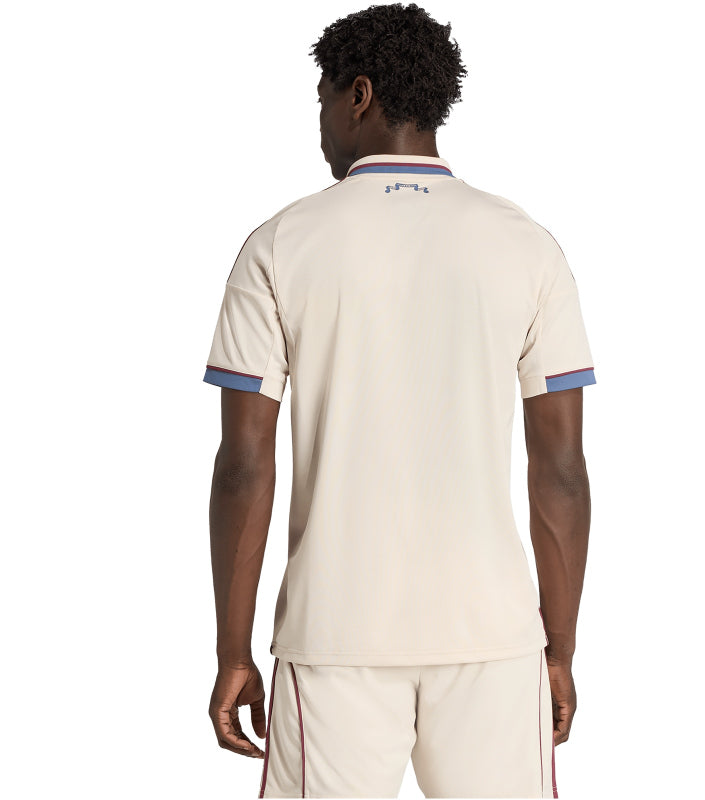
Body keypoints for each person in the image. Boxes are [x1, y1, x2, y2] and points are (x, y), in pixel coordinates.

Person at [203, 3, 595, 797]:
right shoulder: (527, 246)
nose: (319, 124)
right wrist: (558, 650)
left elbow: (245, 465)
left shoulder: (280, 244)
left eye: (322, 99)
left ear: (359, 95)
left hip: (335, 634)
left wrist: (233, 652)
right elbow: (559, 469)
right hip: (492, 639)